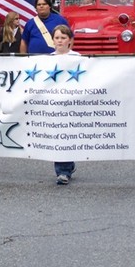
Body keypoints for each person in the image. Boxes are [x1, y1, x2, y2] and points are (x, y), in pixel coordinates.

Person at [50, 24, 78, 185]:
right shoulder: (47, 59)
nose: (60, 41)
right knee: (57, 136)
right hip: (54, 104)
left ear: (69, 40)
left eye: (63, 38)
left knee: (67, 135)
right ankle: (64, 168)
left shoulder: (77, 58)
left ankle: (64, 170)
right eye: (57, 38)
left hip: (71, 104)